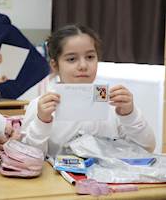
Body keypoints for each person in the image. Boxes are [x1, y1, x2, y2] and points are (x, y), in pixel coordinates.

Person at [21, 24, 156, 158]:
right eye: (72, 59)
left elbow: (147, 148)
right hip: (56, 179)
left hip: (105, 177)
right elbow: (27, 158)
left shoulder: (113, 103)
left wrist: (130, 115)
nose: (83, 66)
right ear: (55, 65)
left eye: (90, 57)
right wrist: (42, 122)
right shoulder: (41, 107)